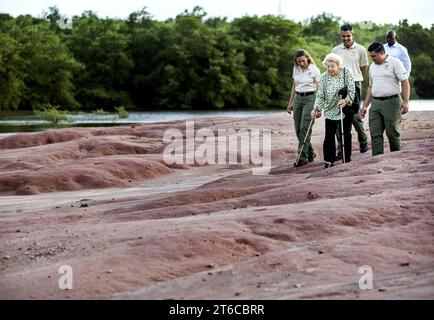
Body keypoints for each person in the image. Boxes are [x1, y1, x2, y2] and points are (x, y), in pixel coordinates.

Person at [360, 42, 410, 156]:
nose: (372, 59)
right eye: (370, 56)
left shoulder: (395, 62)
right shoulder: (372, 66)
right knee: (375, 133)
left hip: (392, 102)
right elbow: (371, 87)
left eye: (373, 56)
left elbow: (405, 82)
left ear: (382, 53)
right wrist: (365, 106)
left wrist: (406, 101)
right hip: (376, 103)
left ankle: (396, 157)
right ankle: (377, 159)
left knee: (392, 132)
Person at [311, 53, 355, 169]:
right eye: (328, 66)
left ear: (338, 65)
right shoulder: (324, 76)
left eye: (332, 66)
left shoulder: (346, 73)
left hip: (344, 109)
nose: (330, 68)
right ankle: (329, 160)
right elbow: (320, 95)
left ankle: (347, 158)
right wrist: (316, 108)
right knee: (329, 135)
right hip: (330, 109)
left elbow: (352, 91)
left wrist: (346, 100)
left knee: (345, 134)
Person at [333, 24, 369, 156]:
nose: (346, 38)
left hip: (354, 84)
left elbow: (363, 68)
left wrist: (357, 80)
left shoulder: (361, 49)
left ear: (353, 34)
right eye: (343, 36)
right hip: (339, 86)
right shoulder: (336, 50)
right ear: (341, 36)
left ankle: (363, 139)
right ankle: (341, 149)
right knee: (338, 116)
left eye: (348, 36)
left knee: (353, 116)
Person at [287, 49, 321, 167]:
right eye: (298, 62)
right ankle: (310, 152)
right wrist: (290, 103)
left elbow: (319, 88)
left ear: (307, 59)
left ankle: (302, 157)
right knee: (298, 129)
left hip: (311, 99)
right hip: (298, 99)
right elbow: (294, 86)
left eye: (303, 61)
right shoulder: (296, 69)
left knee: (304, 128)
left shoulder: (314, 70)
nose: (301, 64)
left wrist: (319, 107)